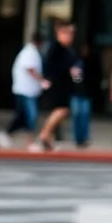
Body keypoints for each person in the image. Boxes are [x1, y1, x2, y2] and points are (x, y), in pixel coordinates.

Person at [30, 22, 79, 153]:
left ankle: (47, 140)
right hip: (57, 85)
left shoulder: (67, 50)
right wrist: (67, 71)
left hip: (64, 85)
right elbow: (50, 66)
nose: (71, 37)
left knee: (61, 112)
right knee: (61, 111)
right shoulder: (55, 48)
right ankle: (43, 136)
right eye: (68, 33)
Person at [0, 34, 48, 147]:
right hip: (26, 90)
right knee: (32, 115)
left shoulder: (31, 52)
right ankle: (31, 143)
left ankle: (7, 133)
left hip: (26, 89)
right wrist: (42, 81)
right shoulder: (29, 52)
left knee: (22, 116)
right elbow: (30, 69)